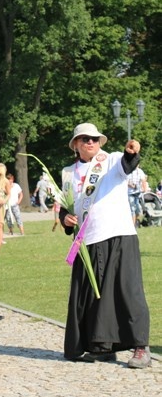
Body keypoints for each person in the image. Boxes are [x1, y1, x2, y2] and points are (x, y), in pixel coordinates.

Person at [60, 123, 151, 368]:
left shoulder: (110, 160)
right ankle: (102, 346)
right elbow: (66, 206)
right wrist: (65, 219)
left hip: (118, 234)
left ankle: (141, 347)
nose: (91, 142)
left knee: (128, 292)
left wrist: (132, 152)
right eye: (85, 139)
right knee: (93, 298)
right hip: (87, 241)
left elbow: (127, 165)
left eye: (94, 138)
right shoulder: (68, 173)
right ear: (76, 144)